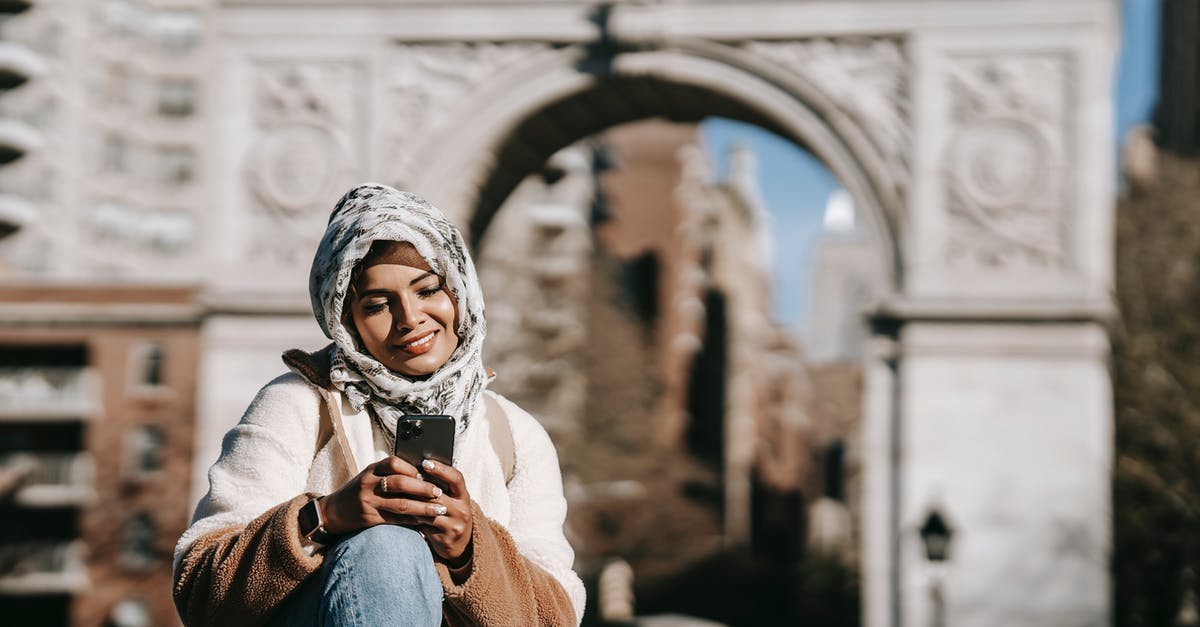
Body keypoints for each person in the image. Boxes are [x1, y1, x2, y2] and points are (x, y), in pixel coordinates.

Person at [173, 184, 585, 626]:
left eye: (427, 290)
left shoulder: (514, 434)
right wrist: (327, 516)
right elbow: (199, 588)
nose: (410, 319)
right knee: (387, 547)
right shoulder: (297, 403)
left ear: (460, 291)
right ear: (346, 321)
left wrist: (470, 549)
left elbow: (557, 616)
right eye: (377, 304)